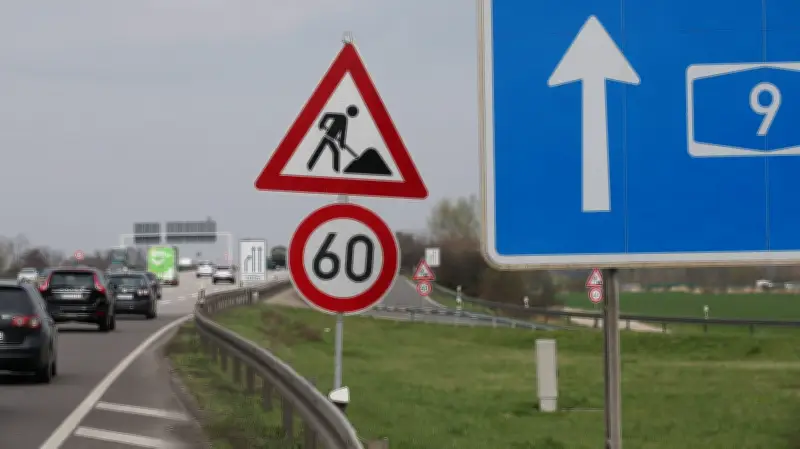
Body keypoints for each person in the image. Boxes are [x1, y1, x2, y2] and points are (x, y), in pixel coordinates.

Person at [307, 105, 359, 173]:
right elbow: (327, 115)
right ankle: (335, 171)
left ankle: (310, 166)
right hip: (328, 137)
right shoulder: (341, 117)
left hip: (330, 138)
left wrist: (342, 143)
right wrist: (322, 123)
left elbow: (343, 132)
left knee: (321, 151)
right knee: (333, 152)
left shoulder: (344, 119)